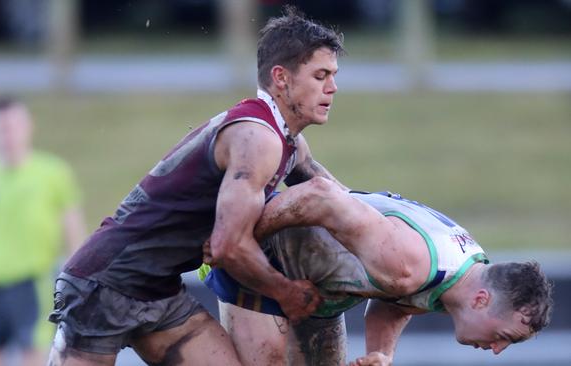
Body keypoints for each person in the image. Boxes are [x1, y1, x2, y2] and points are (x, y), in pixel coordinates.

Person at [47, 6, 346, 366]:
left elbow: (345, 204)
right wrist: (286, 293)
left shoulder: (290, 144)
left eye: (333, 75)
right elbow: (227, 246)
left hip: (159, 290)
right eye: (320, 75)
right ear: (281, 78)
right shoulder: (257, 138)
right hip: (103, 283)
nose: (333, 87)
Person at [203, 177, 554, 366]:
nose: (497, 350)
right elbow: (321, 195)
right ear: (482, 300)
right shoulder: (408, 264)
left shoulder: (462, 276)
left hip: (316, 294)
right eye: (505, 336)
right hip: (267, 263)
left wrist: (382, 354)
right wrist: (234, 239)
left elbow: (396, 304)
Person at [0, 95, 86, 366]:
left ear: (28, 127)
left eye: (12, 127)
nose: (6, 136)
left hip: (30, 287)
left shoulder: (54, 173)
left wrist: (81, 292)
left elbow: (75, 239)